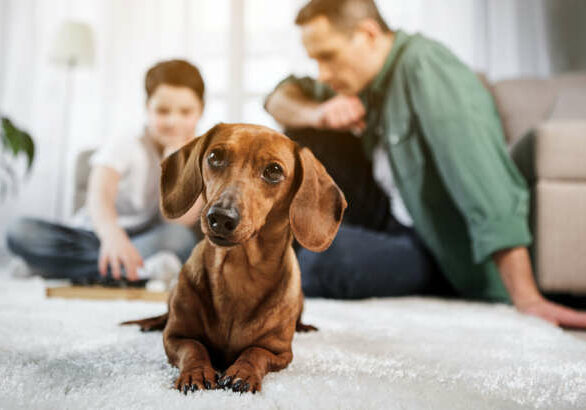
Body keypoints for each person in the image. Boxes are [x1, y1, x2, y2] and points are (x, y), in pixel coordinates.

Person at [264, 0, 586, 327]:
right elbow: (277, 98)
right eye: (315, 60)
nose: (323, 73)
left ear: (368, 34)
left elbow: (484, 180)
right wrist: (318, 113)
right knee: (306, 135)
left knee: (324, 259)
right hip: (390, 217)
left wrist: (527, 297)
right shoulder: (364, 82)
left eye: (328, 56)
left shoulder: (426, 67)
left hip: (434, 245)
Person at [7, 59, 205, 284]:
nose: (173, 121)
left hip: (142, 242)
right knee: (20, 231)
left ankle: (55, 268)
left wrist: (175, 164)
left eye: (185, 112)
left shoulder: (200, 156)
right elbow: (99, 195)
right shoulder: (127, 142)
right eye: (162, 111)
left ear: (200, 111)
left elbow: (178, 221)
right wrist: (112, 236)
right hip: (94, 235)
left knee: (180, 240)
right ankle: (136, 272)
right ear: (147, 108)